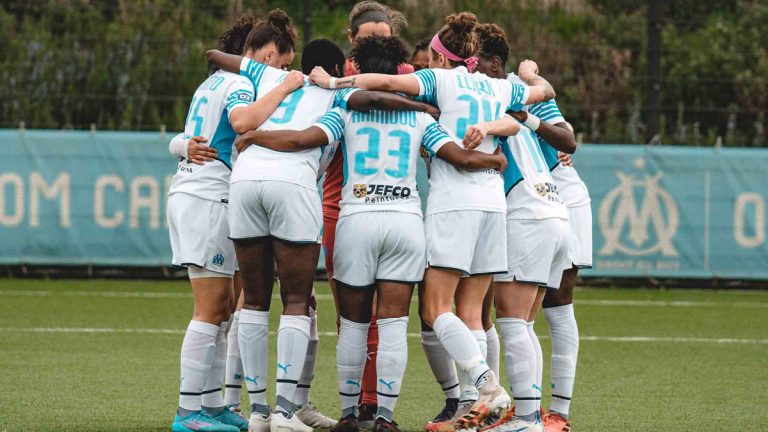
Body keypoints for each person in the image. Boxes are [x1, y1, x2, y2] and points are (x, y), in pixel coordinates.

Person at [237, 34, 507, 432]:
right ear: (400, 69)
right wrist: (497, 158)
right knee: (394, 322)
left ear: (356, 69)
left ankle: (349, 415)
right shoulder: (420, 117)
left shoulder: (344, 107)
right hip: (404, 222)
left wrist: (255, 136)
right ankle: (385, 417)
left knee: (355, 324)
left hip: (357, 220)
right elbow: (462, 159)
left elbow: (300, 139)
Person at [309, 11, 557, 431]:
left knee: (426, 309)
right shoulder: (496, 86)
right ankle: (477, 413)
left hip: (435, 207)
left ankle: (485, 387)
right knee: (473, 313)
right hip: (491, 205)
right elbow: (542, 94)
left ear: (441, 58)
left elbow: (379, 88)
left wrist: (332, 83)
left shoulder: (434, 83)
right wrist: (497, 151)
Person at [207, 27, 440, 432]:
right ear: (338, 68)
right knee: (300, 300)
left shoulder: (269, 75)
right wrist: (418, 107)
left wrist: (256, 105)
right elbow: (361, 102)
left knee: (254, 300)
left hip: (244, 181)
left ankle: (257, 412)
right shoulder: (339, 95)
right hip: (312, 191)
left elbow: (216, 55)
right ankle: (287, 411)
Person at [166, 12, 305, 432]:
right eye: (281, 64)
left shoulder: (210, 81)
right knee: (210, 309)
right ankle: (188, 412)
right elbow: (243, 122)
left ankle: (212, 406)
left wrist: (180, 146)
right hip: (208, 197)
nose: (282, 71)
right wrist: (285, 86)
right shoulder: (241, 82)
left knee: (225, 306)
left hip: (202, 193)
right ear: (265, 54)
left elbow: (192, 136)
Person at [474, 23, 591, 432]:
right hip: (552, 209)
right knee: (522, 323)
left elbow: (565, 139)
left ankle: (527, 418)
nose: (466, 66)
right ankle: (531, 415)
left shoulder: (489, 93)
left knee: (512, 320)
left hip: (531, 212)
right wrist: (534, 81)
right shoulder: (517, 91)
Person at [324, 5, 416, 426]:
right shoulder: (410, 89)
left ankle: (363, 402)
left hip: (357, 211)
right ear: (351, 37)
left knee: (367, 318)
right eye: (367, 35)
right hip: (340, 207)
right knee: (357, 316)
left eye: (382, 34)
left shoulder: (339, 85)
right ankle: (376, 408)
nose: (376, 40)